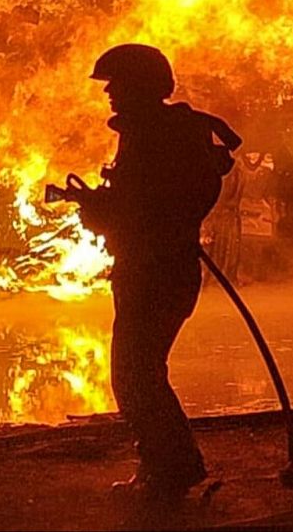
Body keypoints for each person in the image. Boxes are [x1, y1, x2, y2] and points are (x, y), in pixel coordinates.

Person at [86, 43, 240, 499]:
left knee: (136, 373)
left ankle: (172, 470)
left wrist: (101, 212)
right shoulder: (152, 133)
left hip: (158, 271)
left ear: (142, 86)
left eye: (117, 83)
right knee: (139, 371)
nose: (109, 92)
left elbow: (153, 206)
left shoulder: (161, 138)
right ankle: (164, 465)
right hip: (150, 267)